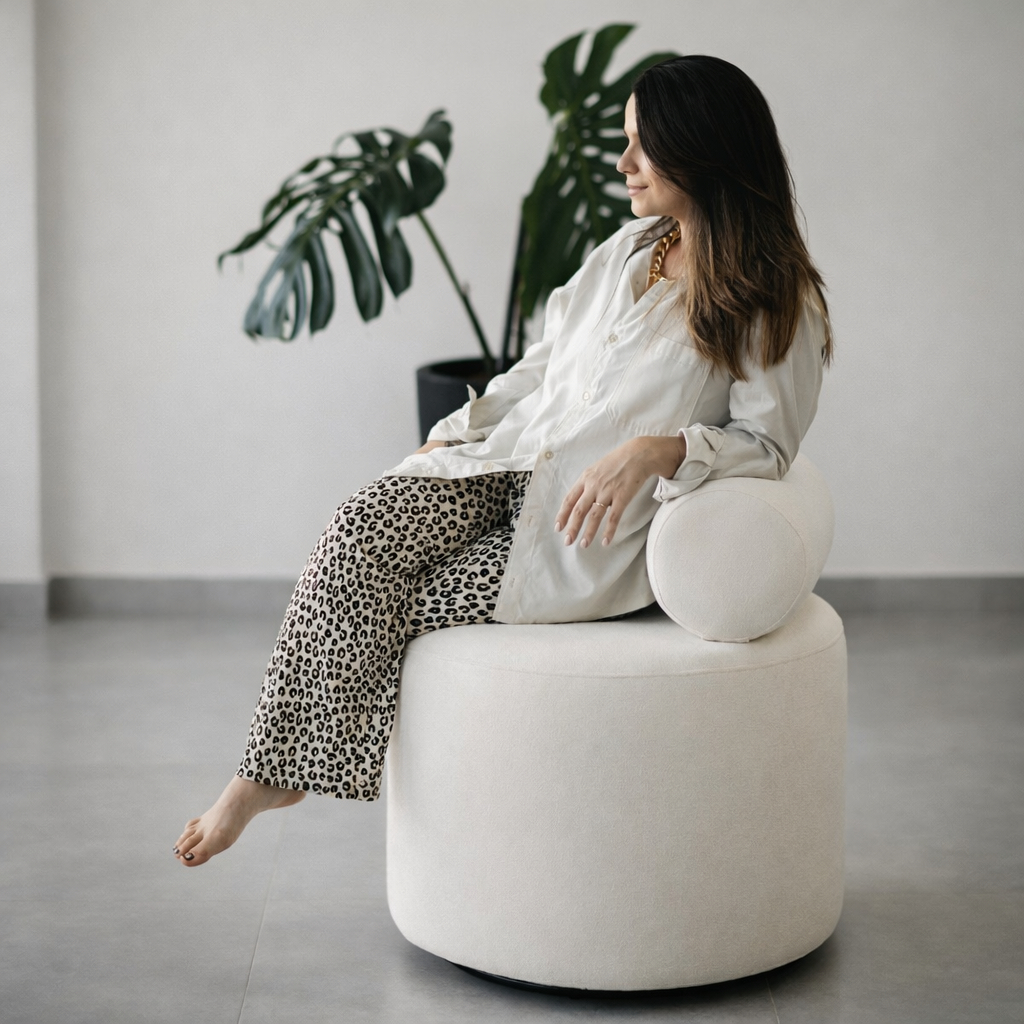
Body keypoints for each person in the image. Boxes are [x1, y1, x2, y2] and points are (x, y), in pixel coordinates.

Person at [173, 55, 832, 866]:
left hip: (583, 527)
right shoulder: (626, 251)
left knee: (404, 602)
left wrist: (660, 449)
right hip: (509, 459)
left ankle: (268, 777)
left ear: (702, 150)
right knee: (358, 528)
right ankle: (268, 775)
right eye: (625, 140)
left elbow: (768, 445)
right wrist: (457, 430)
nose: (622, 163)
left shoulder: (773, 296)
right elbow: (541, 367)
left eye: (643, 145)